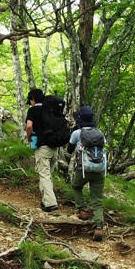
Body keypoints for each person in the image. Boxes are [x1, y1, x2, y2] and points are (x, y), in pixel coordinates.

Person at [67, 105, 106, 241]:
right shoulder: (100, 133)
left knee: (76, 186)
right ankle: (98, 227)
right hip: (99, 170)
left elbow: (69, 149)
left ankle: (82, 210)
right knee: (97, 200)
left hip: (83, 169)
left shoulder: (77, 133)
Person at [25, 88, 59, 212]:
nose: (30, 103)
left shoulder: (33, 110)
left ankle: (50, 203)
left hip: (42, 147)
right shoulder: (51, 109)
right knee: (47, 175)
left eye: (30, 100)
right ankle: (45, 202)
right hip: (55, 147)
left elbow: (29, 126)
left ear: (33, 99)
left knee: (44, 175)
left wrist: (29, 138)